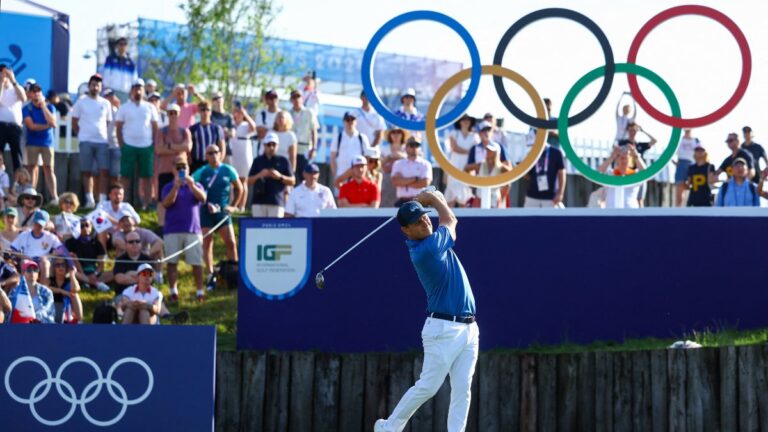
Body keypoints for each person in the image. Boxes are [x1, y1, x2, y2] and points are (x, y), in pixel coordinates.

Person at [374, 189, 478, 432]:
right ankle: (389, 427)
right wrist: (434, 199)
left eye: (424, 215)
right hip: (443, 329)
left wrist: (431, 201)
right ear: (406, 230)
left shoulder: (431, 241)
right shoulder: (426, 251)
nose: (424, 220)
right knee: (428, 386)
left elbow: (444, 220)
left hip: (469, 328)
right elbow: (451, 219)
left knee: (463, 388)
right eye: (416, 221)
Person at [192, 144, 241, 291]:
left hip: (222, 211)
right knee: (207, 242)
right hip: (206, 212)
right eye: (210, 153)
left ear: (220, 154)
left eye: (216, 152)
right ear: (206, 156)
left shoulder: (228, 170)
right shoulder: (202, 172)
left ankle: (233, 272)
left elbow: (240, 188)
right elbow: (191, 186)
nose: (213, 155)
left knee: (231, 242)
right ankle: (211, 274)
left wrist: (233, 205)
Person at [161, 155, 206, 302]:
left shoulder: (196, 185)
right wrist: (176, 186)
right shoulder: (168, 186)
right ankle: (173, 291)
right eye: (178, 167)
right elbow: (166, 203)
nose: (181, 170)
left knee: (197, 263)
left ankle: (199, 292)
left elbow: (203, 199)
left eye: (184, 167)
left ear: (188, 168)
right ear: (173, 169)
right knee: (172, 263)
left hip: (193, 229)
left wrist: (191, 185)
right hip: (172, 229)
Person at [115, 78, 159, 209]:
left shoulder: (150, 107)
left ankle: (146, 204)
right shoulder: (124, 107)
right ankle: (123, 204)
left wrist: (154, 144)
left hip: (146, 146)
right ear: (131, 90)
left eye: (140, 88)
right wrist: (122, 145)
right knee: (125, 176)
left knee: (147, 176)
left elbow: (155, 127)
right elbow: (118, 127)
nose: (138, 91)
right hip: (129, 145)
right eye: (135, 88)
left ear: (143, 90)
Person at [72, 73, 112, 208]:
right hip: (86, 141)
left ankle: (102, 200)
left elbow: (107, 122)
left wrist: (100, 133)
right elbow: (74, 121)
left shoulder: (106, 103)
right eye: (93, 85)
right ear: (89, 86)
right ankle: (89, 200)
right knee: (87, 171)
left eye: (98, 85)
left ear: (101, 88)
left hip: (102, 141)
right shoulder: (81, 101)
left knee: (104, 171)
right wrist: (82, 134)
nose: (95, 87)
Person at [155, 103, 192, 230]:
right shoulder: (162, 131)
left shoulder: (185, 131)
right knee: (162, 197)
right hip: (164, 169)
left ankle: (183, 223)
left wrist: (169, 146)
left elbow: (187, 147)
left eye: (175, 113)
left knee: (182, 194)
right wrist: (178, 148)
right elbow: (159, 149)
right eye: (170, 113)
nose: (172, 115)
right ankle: (161, 225)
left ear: (179, 114)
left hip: (181, 169)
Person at [22, 83, 59, 206]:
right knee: (32, 167)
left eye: (39, 91)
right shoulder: (27, 108)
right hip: (32, 142)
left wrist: (43, 107)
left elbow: (53, 122)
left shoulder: (50, 107)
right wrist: (46, 126)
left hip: (47, 143)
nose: (36, 93)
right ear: (30, 94)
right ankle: (31, 195)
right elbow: (31, 126)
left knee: (49, 169)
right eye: (34, 91)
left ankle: (54, 197)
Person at [247, 132, 295, 217]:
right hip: (258, 201)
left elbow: (292, 181)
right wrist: (260, 175)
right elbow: (249, 181)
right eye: (269, 145)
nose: (271, 147)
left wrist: (280, 177)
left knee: (275, 229)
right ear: (264, 145)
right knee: (258, 229)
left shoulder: (283, 160)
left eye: (274, 144)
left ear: (278, 145)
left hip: (276, 201)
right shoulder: (257, 161)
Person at [11, 209, 65, 283]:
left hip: (42, 261)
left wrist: (49, 256)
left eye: (40, 225)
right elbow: (13, 249)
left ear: (45, 225)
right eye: (36, 224)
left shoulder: (50, 236)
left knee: (45, 263)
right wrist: (23, 256)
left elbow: (61, 249)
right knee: (25, 262)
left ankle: (43, 288)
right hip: (28, 259)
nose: (37, 227)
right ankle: (25, 289)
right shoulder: (24, 235)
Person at [65, 217, 111, 292]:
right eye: (81, 226)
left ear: (91, 227)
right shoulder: (70, 242)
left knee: (113, 273)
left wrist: (95, 273)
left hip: (94, 271)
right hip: (78, 271)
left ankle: (86, 282)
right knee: (72, 273)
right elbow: (73, 260)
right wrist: (83, 274)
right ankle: (96, 284)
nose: (85, 228)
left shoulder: (96, 243)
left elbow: (101, 265)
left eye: (87, 225)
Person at [597, 144, 646, 208]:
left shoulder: (634, 174)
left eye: (626, 158)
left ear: (630, 160)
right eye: (621, 158)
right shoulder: (611, 174)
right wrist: (612, 156)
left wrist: (636, 155)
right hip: (611, 213)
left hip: (631, 213)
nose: (624, 160)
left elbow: (646, 174)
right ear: (616, 160)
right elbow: (599, 173)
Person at [445, 114, 478, 207]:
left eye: (467, 119)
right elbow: (454, 148)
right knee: (450, 198)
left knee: (465, 198)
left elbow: (475, 151)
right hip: (455, 166)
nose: (465, 121)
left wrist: (467, 152)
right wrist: (468, 151)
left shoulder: (475, 136)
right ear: (459, 122)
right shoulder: (454, 133)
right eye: (463, 119)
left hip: (467, 168)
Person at [465, 141, 510, 208]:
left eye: (491, 151)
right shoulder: (481, 165)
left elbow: (508, 183)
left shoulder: (501, 168)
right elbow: (466, 168)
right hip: (479, 198)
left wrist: (502, 196)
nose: (488, 153)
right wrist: (472, 183)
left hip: (494, 200)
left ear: (496, 153)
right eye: (487, 150)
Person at [0, 64, 27, 172]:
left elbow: (23, 98)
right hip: (1, 126)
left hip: (15, 127)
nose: (4, 75)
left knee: (17, 156)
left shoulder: (17, 88)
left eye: (6, 73)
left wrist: (13, 80)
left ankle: (19, 183)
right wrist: (1, 83)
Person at [391, 138, 433, 207]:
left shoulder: (426, 164)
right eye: (411, 145)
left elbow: (425, 183)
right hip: (402, 202)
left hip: (420, 202)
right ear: (406, 147)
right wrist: (415, 179)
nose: (414, 147)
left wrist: (403, 182)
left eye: (417, 145)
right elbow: (395, 182)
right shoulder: (398, 163)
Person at [330, 111, 371, 181]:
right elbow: (333, 158)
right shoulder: (338, 137)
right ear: (344, 121)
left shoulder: (362, 138)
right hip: (342, 175)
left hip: (358, 177)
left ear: (356, 121)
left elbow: (368, 158)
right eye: (347, 120)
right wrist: (336, 175)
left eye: (352, 119)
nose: (350, 122)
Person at [524, 143, 566, 208]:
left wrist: (560, 193)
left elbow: (562, 173)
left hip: (551, 198)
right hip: (532, 196)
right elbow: (527, 175)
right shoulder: (530, 153)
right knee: (528, 217)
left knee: (553, 217)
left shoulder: (556, 152)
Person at [230, 103, 256, 211]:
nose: (237, 114)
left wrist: (245, 113)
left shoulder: (246, 125)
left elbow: (253, 128)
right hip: (233, 151)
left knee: (243, 179)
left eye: (239, 112)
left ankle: (242, 205)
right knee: (232, 179)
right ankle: (232, 203)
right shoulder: (231, 123)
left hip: (244, 151)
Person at [289, 89, 319, 180]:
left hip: (305, 149)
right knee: (291, 175)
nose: (296, 99)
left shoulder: (309, 112)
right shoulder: (288, 114)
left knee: (305, 176)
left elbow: (314, 131)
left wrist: (314, 148)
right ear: (291, 100)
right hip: (291, 149)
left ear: (302, 98)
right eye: (294, 97)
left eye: (298, 96)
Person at [189, 101, 226, 173]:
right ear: (199, 111)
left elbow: (222, 147)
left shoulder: (217, 128)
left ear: (211, 112)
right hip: (197, 163)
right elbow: (189, 148)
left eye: (208, 109)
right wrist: (190, 161)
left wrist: (218, 162)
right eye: (203, 110)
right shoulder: (193, 129)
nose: (205, 112)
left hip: (212, 163)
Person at [111, 230, 153, 294]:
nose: (135, 244)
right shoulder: (120, 260)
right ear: (126, 244)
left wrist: (130, 274)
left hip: (146, 295)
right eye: (131, 242)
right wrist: (142, 277)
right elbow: (119, 279)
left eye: (137, 241)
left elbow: (152, 277)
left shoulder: (147, 259)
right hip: (124, 295)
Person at [48, 258, 83, 324]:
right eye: (57, 265)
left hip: (66, 308)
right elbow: (45, 288)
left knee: (74, 295)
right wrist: (62, 291)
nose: (60, 267)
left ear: (66, 267)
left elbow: (76, 289)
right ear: (54, 268)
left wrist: (72, 274)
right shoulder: (50, 280)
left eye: (63, 265)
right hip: (52, 307)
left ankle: (79, 321)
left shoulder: (69, 281)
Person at [381, 128, 409, 207]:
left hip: (404, 181)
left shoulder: (408, 148)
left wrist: (401, 157)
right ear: (390, 135)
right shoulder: (384, 149)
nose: (396, 134)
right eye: (393, 132)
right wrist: (390, 157)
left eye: (398, 132)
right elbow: (380, 165)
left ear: (402, 135)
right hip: (387, 181)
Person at [102, 88, 122, 187]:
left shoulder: (118, 111)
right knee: (102, 173)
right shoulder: (100, 110)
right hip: (102, 145)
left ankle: (114, 195)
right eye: (107, 96)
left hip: (115, 145)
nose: (110, 98)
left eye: (111, 96)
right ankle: (102, 198)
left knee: (115, 174)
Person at [674, 129, 700, 207]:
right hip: (681, 164)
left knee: (694, 188)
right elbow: (671, 151)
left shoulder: (696, 140)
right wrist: (675, 162)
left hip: (693, 164)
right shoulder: (679, 139)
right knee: (680, 188)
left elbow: (702, 152)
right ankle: (679, 209)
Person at [210, 91, 235, 161]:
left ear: (223, 99)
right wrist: (224, 131)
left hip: (227, 150)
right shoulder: (209, 115)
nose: (217, 100)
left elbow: (232, 133)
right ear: (212, 101)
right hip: (212, 151)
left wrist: (223, 131)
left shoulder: (229, 116)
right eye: (214, 99)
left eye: (219, 97)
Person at [273, 111, 297, 175]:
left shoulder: (291, 135)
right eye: (278, 117)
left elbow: (293, 156)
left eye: (282, 117)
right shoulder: (271, 133)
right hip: (271, 165)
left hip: (284, 166)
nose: (280, 119)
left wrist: (292, 172)